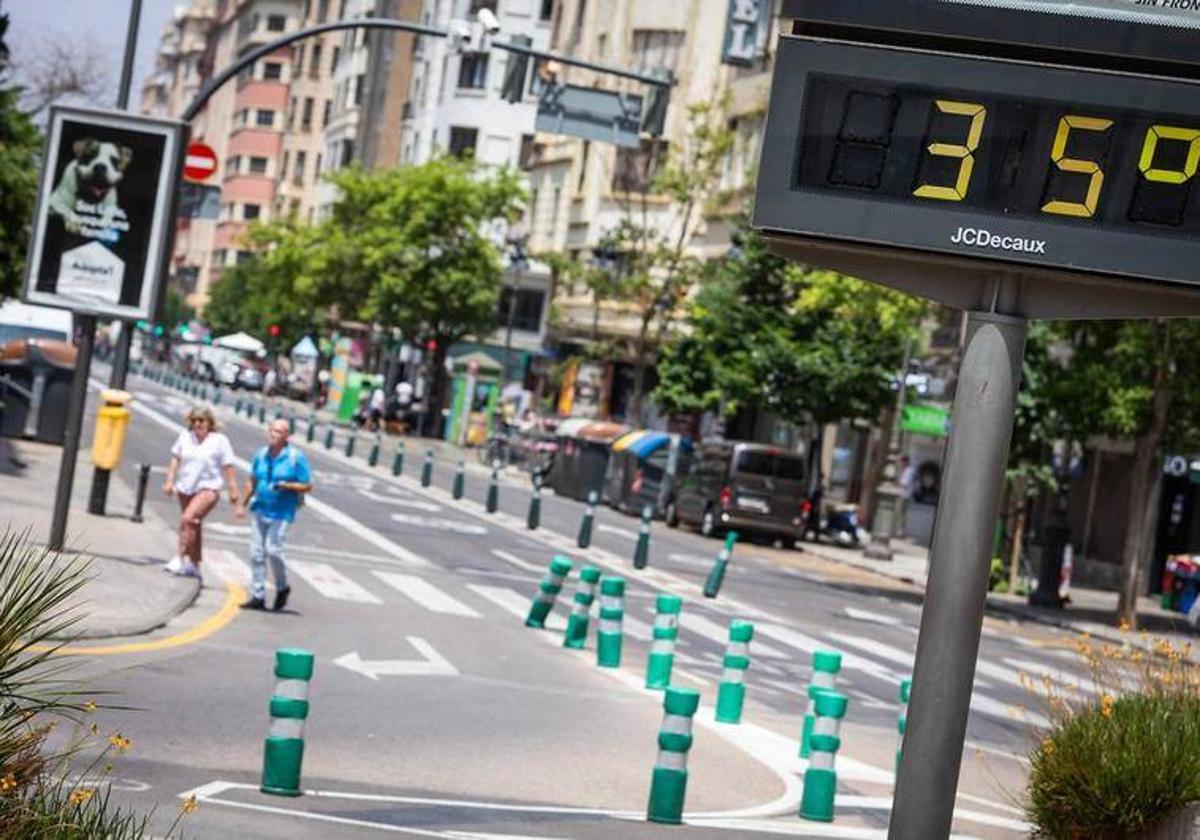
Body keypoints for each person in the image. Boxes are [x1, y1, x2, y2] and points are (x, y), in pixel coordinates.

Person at [239, 419, 312, 611]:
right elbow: (252, 480)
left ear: (286, 436)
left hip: (282, 511)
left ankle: (282, 587)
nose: (274, 434)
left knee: (273, 550)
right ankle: (258, 595)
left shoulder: (296, 457)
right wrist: (242, 504)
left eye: (279, 432)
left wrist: (286, 485)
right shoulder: (261, 454)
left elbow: (307, 485)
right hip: (260, 507)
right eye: (272, 430)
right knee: (256, 553)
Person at [162, 406, 241, 580]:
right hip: (186, 487)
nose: (198, 424)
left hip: (209, 488)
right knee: (193, 525)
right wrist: (169, 481)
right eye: (194, 421)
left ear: (209, 423)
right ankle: (195, 564)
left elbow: (228, 467)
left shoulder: (219, 440)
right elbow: (175, 460)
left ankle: (180, 558)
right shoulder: (185, 437)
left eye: (202, 421)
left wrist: (234, 491)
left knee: (188, 519)